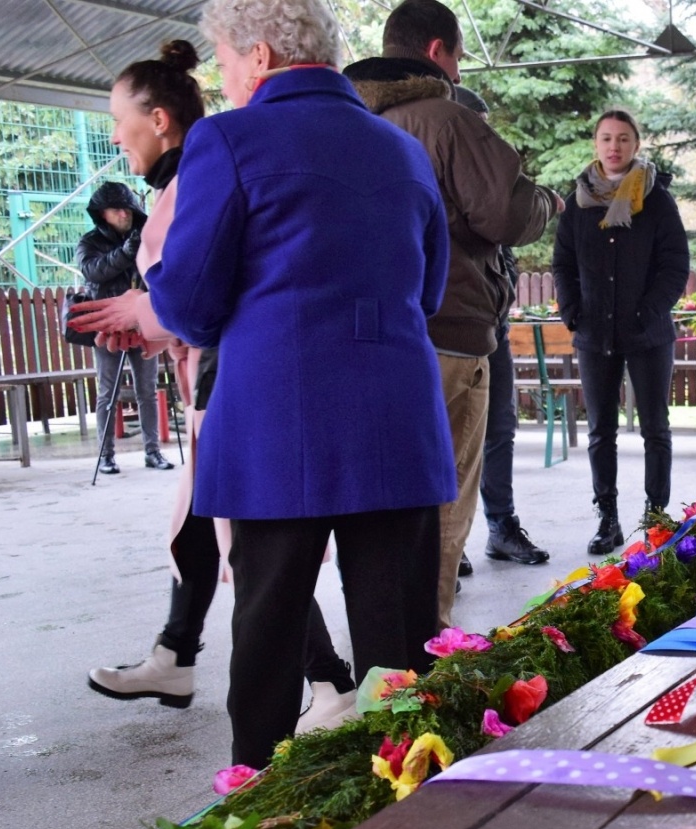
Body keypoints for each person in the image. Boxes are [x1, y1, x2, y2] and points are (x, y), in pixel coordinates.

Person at [144, 0, 456, 768]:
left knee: (270, 641)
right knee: (399, 655)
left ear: (259, 56)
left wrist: (155, 289)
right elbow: (429, 292)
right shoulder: (402, 149)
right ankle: (409, 802)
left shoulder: (227, 139)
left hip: (280, 425)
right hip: (396, 418)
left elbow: (190, 304)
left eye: (223, 60)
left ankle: (262, 806)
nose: (222, 79)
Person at [74, 40, 357, 731]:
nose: (115, 136)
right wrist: (149, 321)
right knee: (207, 526)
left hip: (236, 384)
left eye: (118, 119)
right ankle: (176, 653)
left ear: (159, 119)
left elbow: (206, 291)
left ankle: (328, 679)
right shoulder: (194, 174)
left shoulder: (206, 170)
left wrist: (148, 314)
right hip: (227, 378)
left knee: (251, 545)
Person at [344, 0, 560, 619]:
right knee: (442, 498)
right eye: (459, 57)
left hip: (363, 337)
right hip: (447, 330)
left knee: (379, 501)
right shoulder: (446, 120)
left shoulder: (347, 122)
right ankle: (425, 643)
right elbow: (508, 213)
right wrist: (548, 202)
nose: (460, 73)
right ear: (436, 50)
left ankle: (380, 642)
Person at [551, 109, 690, 555]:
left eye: (623, 139)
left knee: (655, 429)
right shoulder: (578, 202)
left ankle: (656, 519)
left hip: (647, 333)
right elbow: (563, 263)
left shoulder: (657, 200)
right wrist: (573, 312)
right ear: (596, 144)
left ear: (636, 145)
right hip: (594, 334)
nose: (615, 146)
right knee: (601, 431)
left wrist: (648, 311)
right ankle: (607, 519)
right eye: (607, 138)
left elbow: (675, 264)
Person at [450, 84, 549, 567]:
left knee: (500, 429)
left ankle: (501, 526)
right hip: (454, 329)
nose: (486, 138)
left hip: (495, 327)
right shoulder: (446, 175)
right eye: (480, 127)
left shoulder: (489, 181)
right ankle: (452, 543)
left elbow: (503, 250)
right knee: (453, 438)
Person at [75, 182, 172, 474]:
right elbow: (93, 271)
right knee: (108, 392)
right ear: (102, 214)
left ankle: (152, 451)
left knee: (148, 391)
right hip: (108, 327)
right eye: (116, 209)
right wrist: (126, 252)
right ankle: (105, 455)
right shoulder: (89, 242)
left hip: (142, 324)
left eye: (127, 208)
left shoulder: (145, 234)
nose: (123, 213)